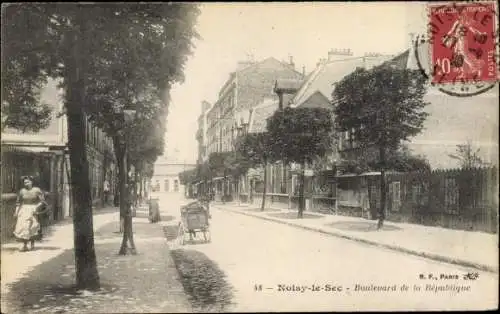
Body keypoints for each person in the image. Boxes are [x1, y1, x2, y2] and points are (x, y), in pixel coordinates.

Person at [13, 176, 46, 252]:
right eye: (24, 182)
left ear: (31, 182)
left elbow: (42, 201)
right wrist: (16, 212)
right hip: (24, 210)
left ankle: (32, 243)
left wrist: (36, 207)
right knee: (24, 227)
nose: (26, 184)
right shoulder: (22, 191)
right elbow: (18, 203)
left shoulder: (37, 190)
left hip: (33, 209)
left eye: (27, 182)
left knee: (32, 226)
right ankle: (24, 245)